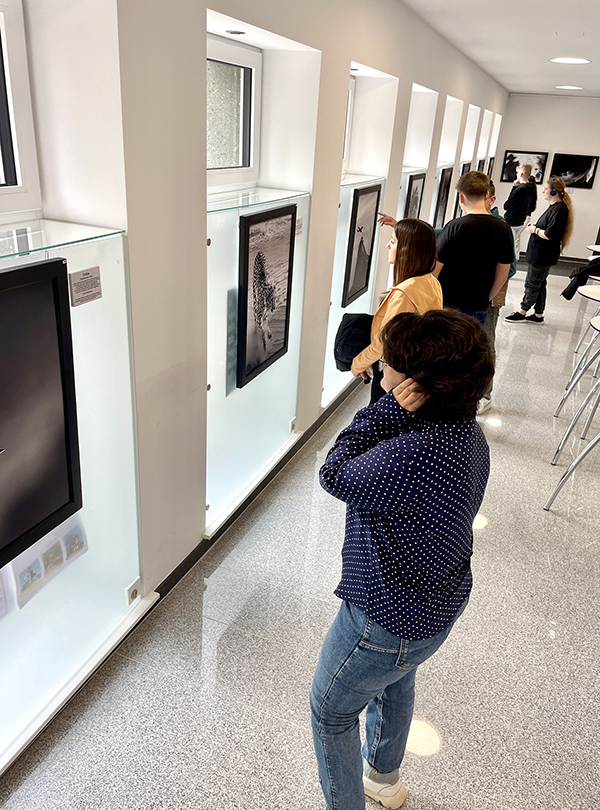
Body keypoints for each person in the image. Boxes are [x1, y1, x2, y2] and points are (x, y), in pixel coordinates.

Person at [311, 309, 494, 810]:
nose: (379, 372)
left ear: (414, 386)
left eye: (387, 365)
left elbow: (333, 473)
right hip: (432, 610)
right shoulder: (467, 436)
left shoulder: (411, 452)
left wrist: (383, 411)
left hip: (384, 620)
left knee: (330, 713)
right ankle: (384, 780)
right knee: (396, 682)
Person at [351, 218, 442, 402]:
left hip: (396, 375)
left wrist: (357, 364)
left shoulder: (404, 293)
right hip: (415, 372)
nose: (387, 245)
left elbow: (384, 342)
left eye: (392, 242)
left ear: (406, 250)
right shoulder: (431, 282)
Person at [435, 171, 514, 324]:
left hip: (447, 302)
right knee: (470, 345)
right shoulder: (504, 229)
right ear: (487, 195)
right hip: (478, 304)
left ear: (461, 197)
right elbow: (503, 275)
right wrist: (486, 298)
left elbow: (435, 270)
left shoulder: (454, 227)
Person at [504, 175, 574, 324]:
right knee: (540, 283)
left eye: (546, 189)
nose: (543, 191)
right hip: (541, 253)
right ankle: (538, 315)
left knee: (532, 283)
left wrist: (534, 230)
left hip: (543, 254)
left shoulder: (559, 209)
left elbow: (550, 234)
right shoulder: (555, 208)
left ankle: (522, 312)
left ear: (554, 192)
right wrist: (536, 227)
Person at [478, 180, 518, 413]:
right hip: (473, 297)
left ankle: (485, 395)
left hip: (488, 299)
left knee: (485, 343)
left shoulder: (500, 226)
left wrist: (489, 289)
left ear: (491, 199)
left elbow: (510, 268)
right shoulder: (467, 222)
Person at [502, 163, 537, 255]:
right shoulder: (531, 188)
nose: (517, 175)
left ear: (521, 174)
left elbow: (506, 206)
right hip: (521, 220)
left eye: (517, 173)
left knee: (508, 246)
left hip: (512, 220)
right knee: (514, 243)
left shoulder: (520, 189)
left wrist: (513, 188)